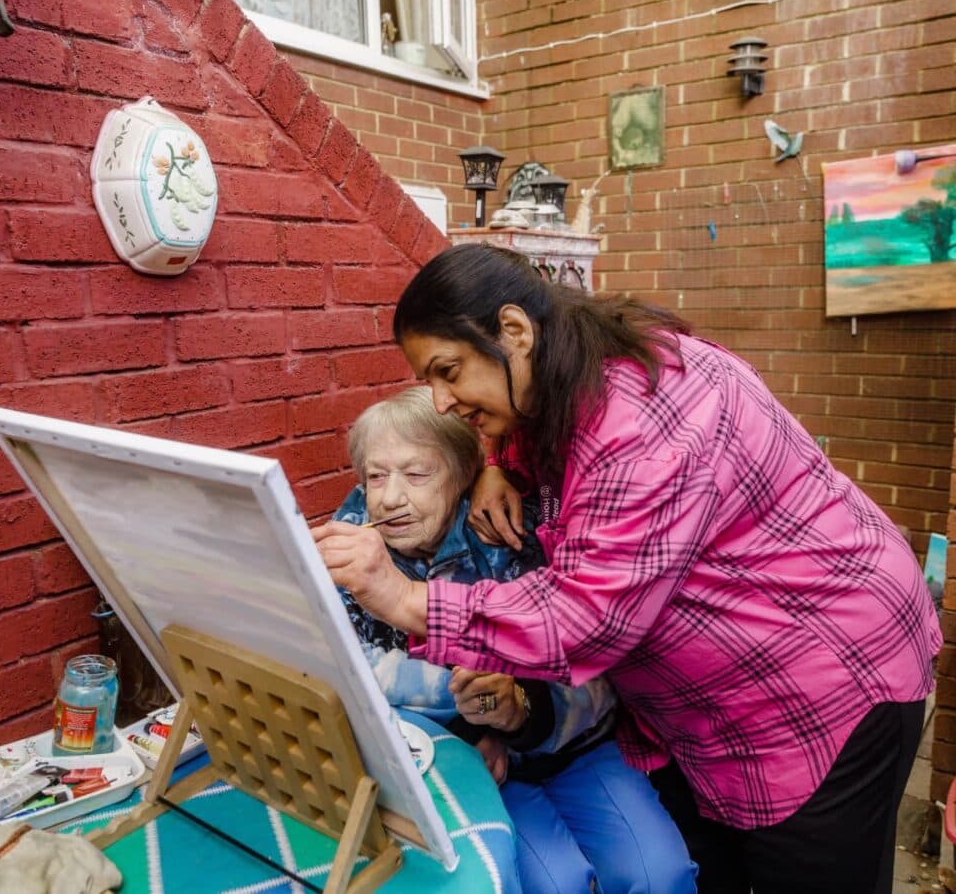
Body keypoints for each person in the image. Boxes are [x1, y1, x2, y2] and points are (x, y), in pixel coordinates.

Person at [314, 243, 943, 894]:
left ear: (515, 331)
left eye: (449, 371)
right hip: (707, 709)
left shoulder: (646, 416)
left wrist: (400, 597)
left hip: (824, 678)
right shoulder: (569, 372)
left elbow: (585, 619)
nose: (441, 402)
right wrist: (499, 461)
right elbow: (538, 428)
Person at [334, 386, 697, 894]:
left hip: (578, 746)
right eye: (375, 476)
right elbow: (345, 664)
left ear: (464, 477)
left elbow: (593, 661)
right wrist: (464, 718)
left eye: (417, 475)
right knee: (557, 884)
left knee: (658, 875)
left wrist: (524, 708)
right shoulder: (357, 540)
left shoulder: (516, 531)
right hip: (480, 766)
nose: (390, 497)